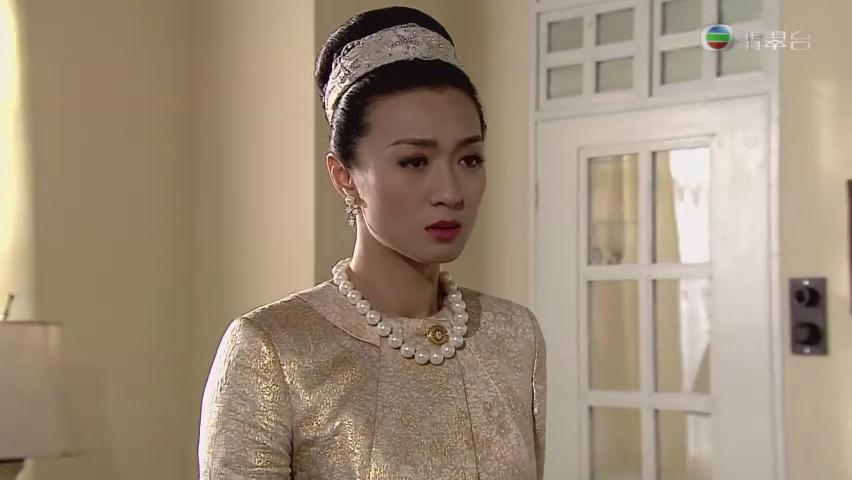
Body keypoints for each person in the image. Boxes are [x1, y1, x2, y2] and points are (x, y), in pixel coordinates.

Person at [198, 6, 546, 479]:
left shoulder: (513, 336)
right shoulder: (272, 349)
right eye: (414, 162)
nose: (451, 192)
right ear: (344, 176)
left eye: (469, 160)